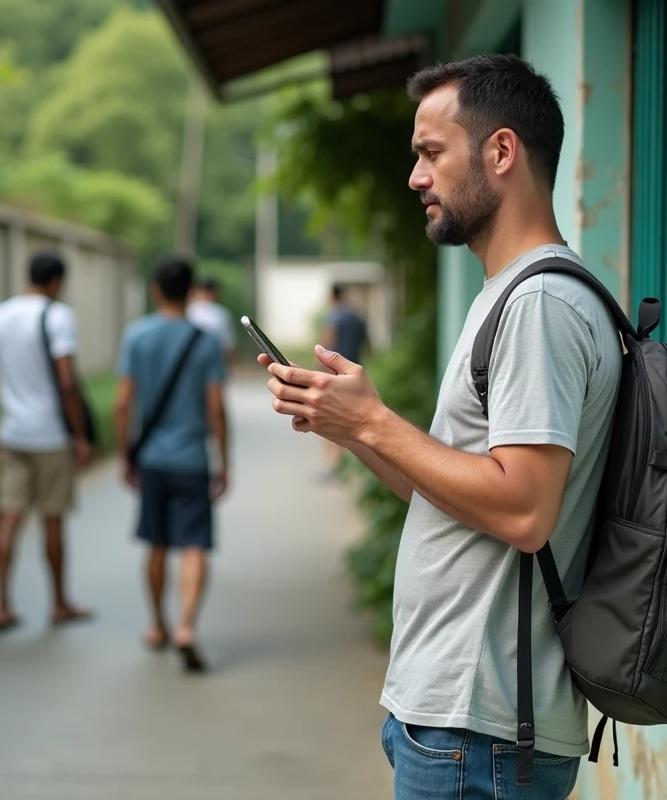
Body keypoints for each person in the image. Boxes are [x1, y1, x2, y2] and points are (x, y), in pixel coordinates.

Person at [261, 55, 621, 798]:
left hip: (480, 727)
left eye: (430, 153)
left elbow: (523, 509)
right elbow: (458, 495)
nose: (415, 177)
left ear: (500, 152)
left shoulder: (540, 306)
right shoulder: (507, 294)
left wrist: (380, 422)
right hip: (455, 721)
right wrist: (352, 428)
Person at [0, 252, 93, 634]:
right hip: (52, 436)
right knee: (52, 519)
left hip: (13, 434)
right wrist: (81, 436)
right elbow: (67, 382)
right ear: (56, 281)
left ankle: (2, 605)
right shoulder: (59, 316)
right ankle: (59, 603)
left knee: (8, 517)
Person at [115, 256, 229, 674]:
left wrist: (124, 453)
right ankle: (186, 626)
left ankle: (158, 625)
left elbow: (124, 401)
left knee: (157, 542)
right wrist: (223, 461)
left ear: (156, 289)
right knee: (195, 544)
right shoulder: (206, 340)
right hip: (192, 460)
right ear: (191, 290)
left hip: (152, 459)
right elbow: (216, 408)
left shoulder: (137, 335)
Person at [318, 283, 369, 480]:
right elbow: (368, 344)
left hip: (334, 372)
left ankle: (331, 466)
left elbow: (327, 343)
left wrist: (317, 368)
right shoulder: (358, 317)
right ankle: (349, 464)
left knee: (331, 416)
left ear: (332, 296)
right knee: (352, 416)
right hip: (354, 371)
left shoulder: (334, 316)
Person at [186, 276, 236, 367]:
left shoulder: (188, 310)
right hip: (213, 359)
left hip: (191, 359)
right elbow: (228, 343)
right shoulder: (221, 312)